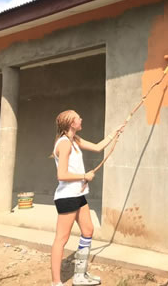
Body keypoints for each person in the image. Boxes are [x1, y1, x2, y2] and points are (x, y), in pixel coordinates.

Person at [51, 110, 123, 286]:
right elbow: (62, 175)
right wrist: (84, 176)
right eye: (78, 118)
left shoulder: (74, 140)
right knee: (61, 238)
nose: (81, 119)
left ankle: (79, 276)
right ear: (71, 123)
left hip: (78, 194)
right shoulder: (64, 144)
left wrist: (115, 133)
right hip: (67, 196)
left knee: (88, 230)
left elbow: (98, 147)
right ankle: (56, 282)